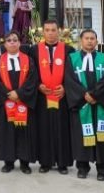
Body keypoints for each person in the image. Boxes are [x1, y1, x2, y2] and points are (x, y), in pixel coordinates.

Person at [64, 29, 104, 181]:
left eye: (93, 38)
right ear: (81, 41)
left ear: (96, 41)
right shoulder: (72, 58)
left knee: (101, 137)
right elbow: (70, 80)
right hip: (81, 104)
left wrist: (95, 95)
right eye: (87, 38)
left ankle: (103, 169)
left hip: (100, 104)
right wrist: (84, 95)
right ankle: (83, 167)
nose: (90, 41)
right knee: (81, 136)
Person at [31, 20, 74, 174]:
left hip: (61, 96)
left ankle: (63, 163)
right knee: (44, 129)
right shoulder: (35, 50)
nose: (50, 33)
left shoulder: (69, 50)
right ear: (43, 32)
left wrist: (65, 87)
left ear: (59, 31)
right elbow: (31, 71)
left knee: (62, 129)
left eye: (53, 30)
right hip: (43, 97)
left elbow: (73, 73)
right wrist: (37, 85)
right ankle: (45, 162)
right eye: (47, 30)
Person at [0, 31, 38, 174]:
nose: (12, 42)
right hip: (5, 101)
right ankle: (8, 162)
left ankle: (25, 163)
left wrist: (19, 94)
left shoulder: (28, 60)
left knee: (24, 133)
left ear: (20, 43)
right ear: (5, 44)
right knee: (7, 133)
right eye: (9, 40)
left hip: (23, 102)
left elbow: (32, 80)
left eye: (15, 40)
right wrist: (8, 94)